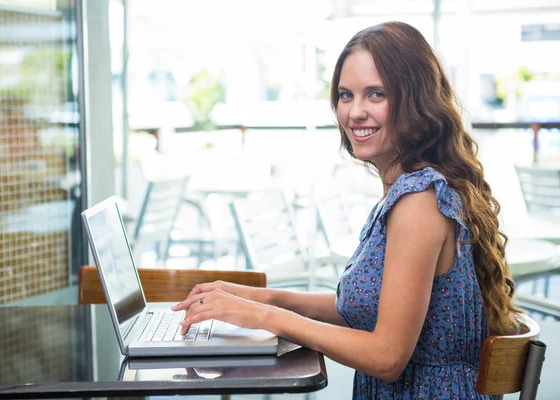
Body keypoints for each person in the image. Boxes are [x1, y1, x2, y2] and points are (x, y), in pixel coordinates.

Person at [172, 21, 520, 399]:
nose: (355, 112)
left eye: (376, 94)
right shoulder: (407, 191)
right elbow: (368, 308)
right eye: (345, 95)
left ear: (415, 101)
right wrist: (263, 298)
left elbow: (388, 356)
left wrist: (265, 317)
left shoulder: (419, 200)